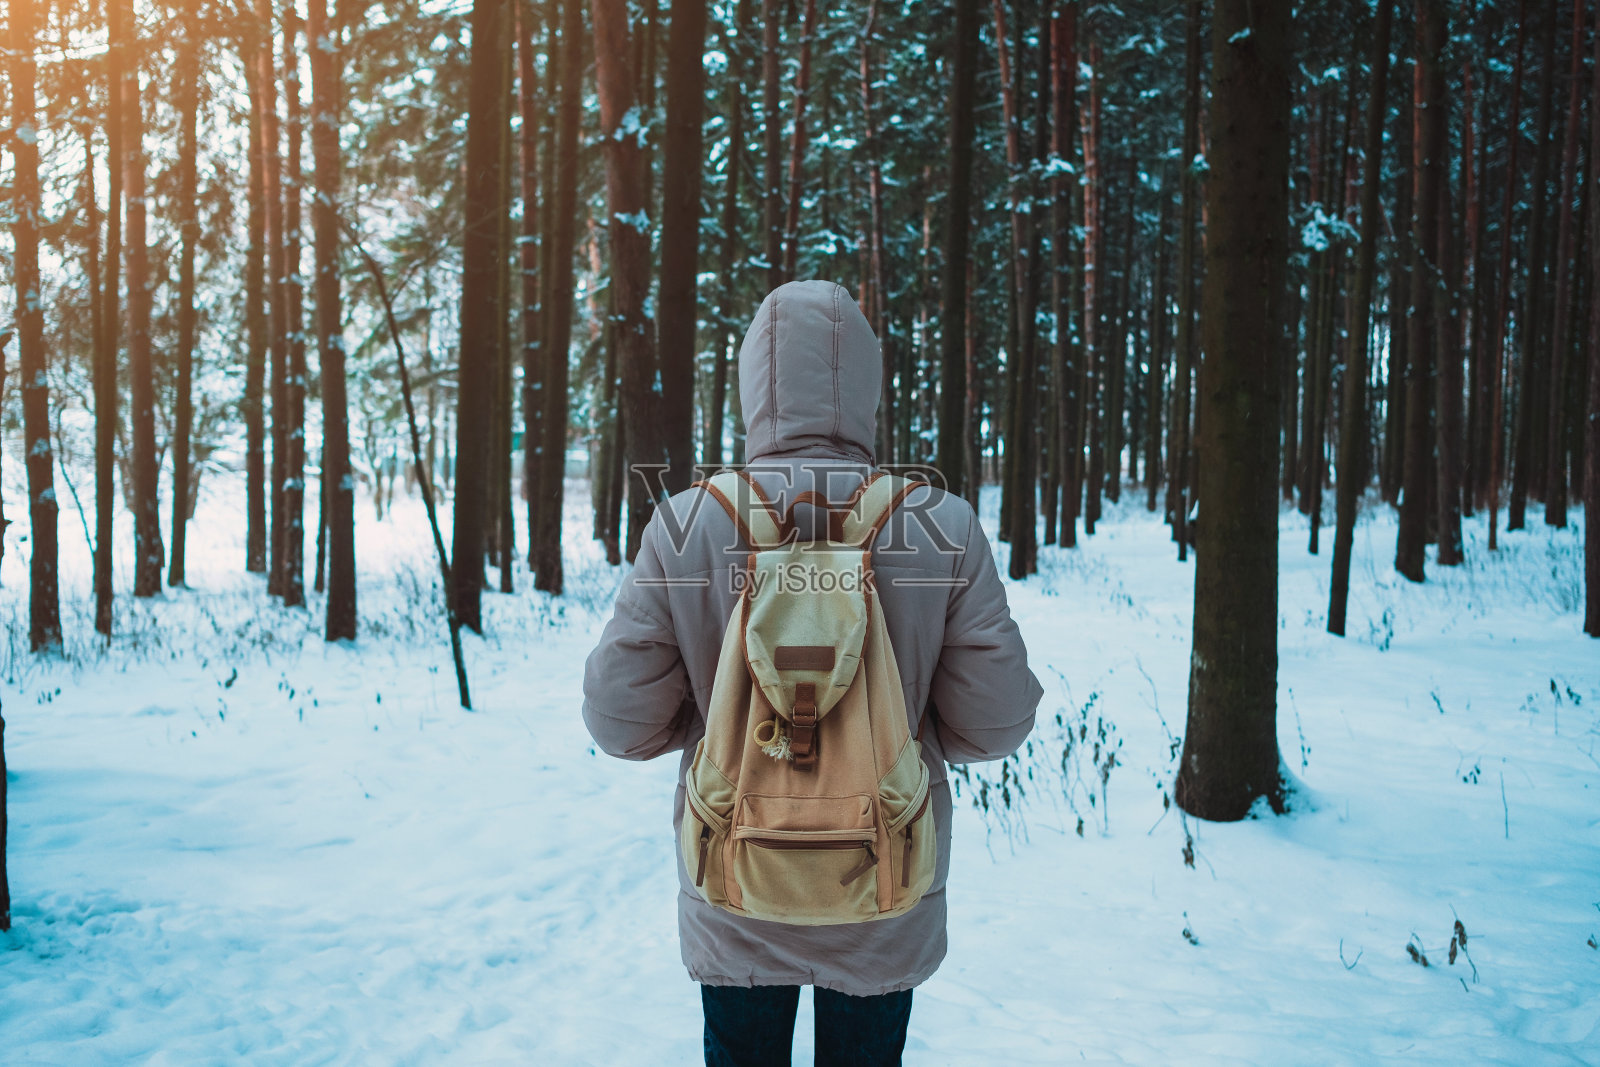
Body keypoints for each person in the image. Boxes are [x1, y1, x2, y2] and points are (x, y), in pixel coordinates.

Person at [582, 280, 1042, 1066]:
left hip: (734, 869)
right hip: (883, 876)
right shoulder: (941, 524)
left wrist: (710, 706)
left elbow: (618, 719)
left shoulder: (690, 522)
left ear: (753, 387)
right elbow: (996, 723)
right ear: (867, 385)